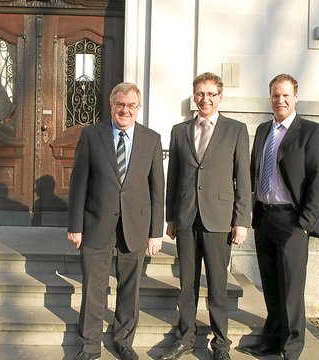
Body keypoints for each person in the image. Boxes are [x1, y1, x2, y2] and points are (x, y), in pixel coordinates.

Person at [67, 82, 165, 360]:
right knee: (93, 286)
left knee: (130, 287)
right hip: (96, 223)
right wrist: (75, 226)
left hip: (136, 224)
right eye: (120, 104)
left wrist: (155, 232)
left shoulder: (151, 139)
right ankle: (89, 344)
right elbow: (78, 184)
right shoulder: (91, 136)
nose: (125, 110)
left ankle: (123, 340)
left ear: (139, 108)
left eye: (131, 105)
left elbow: (158, 188)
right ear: (111, 105)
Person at [159, 72, 251, 360]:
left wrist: (241, 220)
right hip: (186, 217)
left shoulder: (235, 130)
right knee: (187, 285)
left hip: (219, 218)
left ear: (220, 97)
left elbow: (243, 179)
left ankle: (221, 345)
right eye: (200, 93)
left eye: (211, 93)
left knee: (217, 286)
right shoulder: (180, 130)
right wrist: (170, 217)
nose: (205, 99)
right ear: (194, 97)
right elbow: (173, 176)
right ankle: (184, 338)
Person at [238, 73, 319, 360]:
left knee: (291, 288)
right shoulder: (264, 129)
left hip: (293, 221)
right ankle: (272, 338)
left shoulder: (311, 131)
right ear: (270, 98)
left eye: (286, 95)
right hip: (265, 217)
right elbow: (255, 171)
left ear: (296, 97)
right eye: (276, 96)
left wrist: (304, 223)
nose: (281, 100)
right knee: (272, 285)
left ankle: (291, 347)